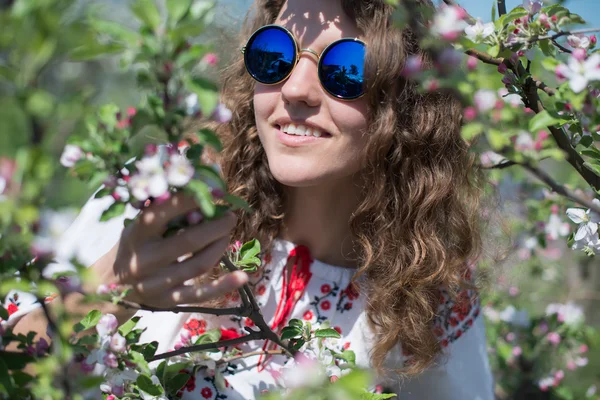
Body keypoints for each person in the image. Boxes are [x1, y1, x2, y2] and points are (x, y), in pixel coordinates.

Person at [6, 0, 495, 398]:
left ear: (408, 106)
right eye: (274, 56)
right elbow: (12, 371)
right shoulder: (162, 200)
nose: (295, 89)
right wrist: (112, 287)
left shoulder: (429, 297)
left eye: (347, 67)